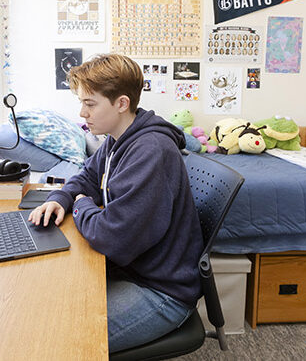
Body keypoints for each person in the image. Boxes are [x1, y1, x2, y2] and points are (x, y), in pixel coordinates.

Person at [29, 53, 203, 353]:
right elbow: (86, 175)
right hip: (134, 269)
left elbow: (111, 236)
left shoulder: (150, 150)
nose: (82, 112)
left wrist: (81, 205)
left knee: (57, 339)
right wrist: (61, 197)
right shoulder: (117, 138)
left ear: (121, 103)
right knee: (44, 310)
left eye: (90, 103)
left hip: (162, 291)